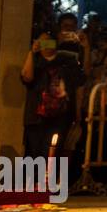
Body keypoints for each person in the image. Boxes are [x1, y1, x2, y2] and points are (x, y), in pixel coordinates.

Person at [21, 33, 87, 161]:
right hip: (36, 116)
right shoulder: (35, 60)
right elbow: (27, 77)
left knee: (54, 152)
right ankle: (32, 180)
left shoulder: (66, 60)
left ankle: (50, 179)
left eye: (49, 42)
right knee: (34, 153)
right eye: (42, 42)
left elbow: (81, 80)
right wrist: (32, 51)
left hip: (60, 117)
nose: (46, 45)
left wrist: (86, 48)